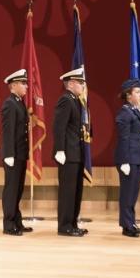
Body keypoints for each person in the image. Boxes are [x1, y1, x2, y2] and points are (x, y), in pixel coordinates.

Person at [53, 67, 87, 237]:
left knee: (76, 190)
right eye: (80, 83)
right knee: (68, 191)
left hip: (76, 153)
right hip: (67, 153)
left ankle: (73, 222)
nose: (83, 86)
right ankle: (65, 226)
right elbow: (59, 127)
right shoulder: (66, 100)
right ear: (72, 83)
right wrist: (60, 150)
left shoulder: (75, 100)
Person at [114, 78, 140, 238]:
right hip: (128, 158)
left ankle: (131, 222)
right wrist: (125, 161)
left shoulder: (133, 111)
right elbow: (124, 138)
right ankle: (127, 226)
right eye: (137, 92)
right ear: (128, 95)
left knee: (133, 193)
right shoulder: (124, 112)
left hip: (136, 157)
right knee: (127, 193)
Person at [1, 69, 32, 236]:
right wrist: (9, 154)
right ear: (13, 85)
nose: (26, 86)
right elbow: (8, 131)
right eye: (23, 83)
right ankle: (8, 224)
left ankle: (17, 221)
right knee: (11, 190)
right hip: (13, 154)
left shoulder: (19, 102)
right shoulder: (9, 104)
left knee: (18, 189)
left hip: (20, 153)